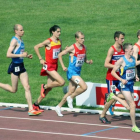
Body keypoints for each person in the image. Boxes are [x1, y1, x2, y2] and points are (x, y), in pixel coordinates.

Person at [0, 24, 41, 116]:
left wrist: (26, 56)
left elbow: (19, 53)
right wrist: (21, 55)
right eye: (21, 30)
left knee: (27, 87)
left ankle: (31, 109)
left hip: (21, 66)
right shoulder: (14, 40)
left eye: (23, 30)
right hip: (15, 66)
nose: (23, 31)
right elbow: (8, 54)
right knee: (14, 90)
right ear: (16, 31)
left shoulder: (21, 40)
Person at [55, 31, 93, 117]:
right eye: (81, 38)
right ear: (77, 39)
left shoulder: (84, 47)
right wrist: (63, 66)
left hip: (77, 72)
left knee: (70, 91)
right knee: (84, 87)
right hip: (71, 72)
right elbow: (60, 55)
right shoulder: (72, 48)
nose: (83, 40)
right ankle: (71, 98)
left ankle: (58, 106)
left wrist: (88, 61)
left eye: (84, 38)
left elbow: (84, 58)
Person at [108, 43, 140, 133]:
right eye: (131, 49)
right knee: (132, 105)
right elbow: (113, 72)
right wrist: (121, 79)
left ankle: (114, 96)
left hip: (131, 84)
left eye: (133, 49)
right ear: (126, 50)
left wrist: (136, 76)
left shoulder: (133, 59)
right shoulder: (121, 60)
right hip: (124, 85)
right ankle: (134, 126)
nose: (133, 51)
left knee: (130, 107)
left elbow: (134, 67)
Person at [33, 25, 65, 112]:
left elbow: (59, 53)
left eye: (60, 31)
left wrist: (65, 51)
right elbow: (36, 47)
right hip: (49, 66)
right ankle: (44, 86)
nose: (59, 33)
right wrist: (40, 59)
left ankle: (36, 104)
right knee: (62, 82)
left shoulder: (59, 41)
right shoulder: (48, 41)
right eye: (58, 31)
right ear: (53, 32)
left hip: (55, 65)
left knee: (49, 89)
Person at [100, 31, 127, 123]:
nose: (123, 40)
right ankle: (102, 115)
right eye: (121, 38)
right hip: (111, 78)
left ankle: (109, 96)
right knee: (112, 98)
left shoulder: (123, 49)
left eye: (123, 38)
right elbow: (106, 64)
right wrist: (117, 66)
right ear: (116, 38)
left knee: (126, 95)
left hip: (120, 78)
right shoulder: (111, 49)